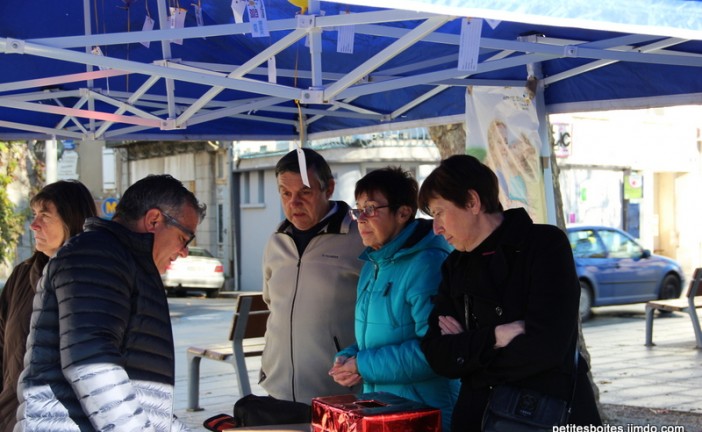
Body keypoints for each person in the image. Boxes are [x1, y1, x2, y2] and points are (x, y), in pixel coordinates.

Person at [417, 155, 602, 431]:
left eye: (439, 212)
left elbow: (547, 347)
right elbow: (437, 354)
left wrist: (469, 354)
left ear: (472, 202)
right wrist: (496, 336)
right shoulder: (455, 266)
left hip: (544, 414)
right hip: (478, 417)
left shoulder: (544, 245)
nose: (436, 228)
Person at [15, 174, 205, 431]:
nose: (184, 252)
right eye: (184, 238)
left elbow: (142, 396)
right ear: (154, 220)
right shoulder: (97, 255)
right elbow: (93, 366)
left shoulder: (120, 259)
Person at [328, 166, 459, 431]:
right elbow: (379, 338)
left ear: (403, 213)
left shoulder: (427, 263)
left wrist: (362, 365)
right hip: (382, 411)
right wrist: (349, 358)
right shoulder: (372, 264)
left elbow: (436, 353)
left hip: (423, 414)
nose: (361, 219)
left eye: (371, 209)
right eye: (358, 210)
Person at [258, 148, 364, 411]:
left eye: (305, 192)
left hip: (338, 393)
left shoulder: (360, 238)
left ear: (329, 189)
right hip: (277, 388)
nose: (294, 203)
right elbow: (272, 303)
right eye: (285, 193)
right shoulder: (276, 240)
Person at [0, 180, 97, 432]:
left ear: (72, 220)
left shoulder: (95, 280)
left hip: (67, 422)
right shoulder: (22, 276)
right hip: (12, 416)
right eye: (34, 214)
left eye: (45, 216)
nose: (33, 224)